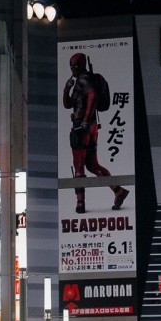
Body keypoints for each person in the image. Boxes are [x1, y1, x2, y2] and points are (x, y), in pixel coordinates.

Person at [63, 50, 128, 214]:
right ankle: (118, 190)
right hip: (90, 127)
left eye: (73, 66)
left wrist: (85, 120)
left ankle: (80, 203)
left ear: (79, 65)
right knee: (92, 164)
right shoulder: (80, 81)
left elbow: (93, 96)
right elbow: (68, 104)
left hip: (82, 127)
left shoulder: (84, 78)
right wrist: (66, 90)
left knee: (79, 166)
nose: (72, 69)